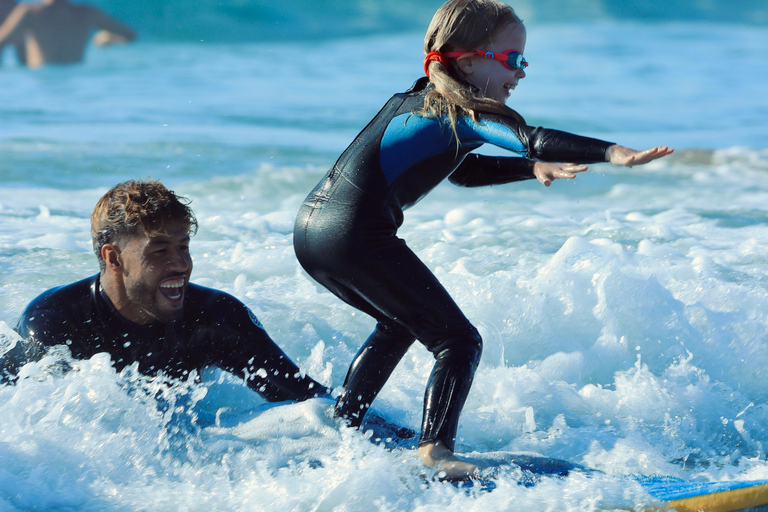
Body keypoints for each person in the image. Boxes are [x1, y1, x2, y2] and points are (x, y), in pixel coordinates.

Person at [293, 0, 673, 480]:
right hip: (354, 235)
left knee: (399, 323)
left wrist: (529, 169)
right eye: (513, 59)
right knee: (458, 340)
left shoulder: (417, 102)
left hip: (312, 231)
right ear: (468, 59)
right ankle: (436, 453)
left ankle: (344, 420)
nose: (522, 72)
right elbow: (530, 137)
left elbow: (464, 173)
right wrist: (612, 153)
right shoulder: (462, 110)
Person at [2, 179, 331, 408]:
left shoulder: (216, 317)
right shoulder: (55, 326)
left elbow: (312, 401)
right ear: (113, 258)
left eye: (184, 247)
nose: (181, 264)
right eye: (159, 251)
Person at [0, 0, 135, 69]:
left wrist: (18, 44)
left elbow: (2, 41)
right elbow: (130, 35)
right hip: (76, 80)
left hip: (41, 81)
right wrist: (108, 38)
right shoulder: (88, 14)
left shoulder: (30, 12)